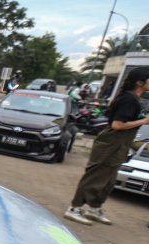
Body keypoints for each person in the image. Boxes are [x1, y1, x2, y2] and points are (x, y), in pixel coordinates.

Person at [64, 67, 149, 225]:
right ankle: (74, 208)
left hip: (121, 143)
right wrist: (144, 122)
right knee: (95, 177)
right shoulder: (128, 99)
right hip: (111, 143)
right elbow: (117, 125)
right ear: (139, 82)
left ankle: (94, 208)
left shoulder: (134, 99)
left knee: (108, 179)